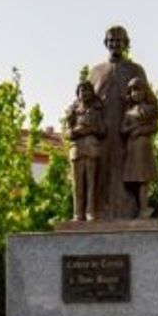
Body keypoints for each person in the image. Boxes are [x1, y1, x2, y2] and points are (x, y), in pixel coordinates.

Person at [85, 25, 151, 220]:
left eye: (119, 41)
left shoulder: (135, 69)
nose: (115, 44)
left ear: (126, 44)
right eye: (111, 41)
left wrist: (142, 126)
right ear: (106, 43)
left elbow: (147, 99)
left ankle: (133, 210)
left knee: (130, 172)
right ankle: (98, 211)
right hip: (102, 131)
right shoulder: (95, 72)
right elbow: (86, 100)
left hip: (128, 131)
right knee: (101, 172)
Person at [64, 78, 107, 221]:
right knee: (77, 185)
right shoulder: (73, 112)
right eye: (82, 90)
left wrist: (89, 129)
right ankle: (77, 213)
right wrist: (76, 131)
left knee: (91, 184)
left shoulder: (96, 110)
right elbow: (67, 133)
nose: (85, 93)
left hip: (92, 149)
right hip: (77, 150)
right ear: (78, 94)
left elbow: (102, 130)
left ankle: (90, 212)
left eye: (88, 90)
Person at [121, 74, 158, 218]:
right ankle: (138, 207)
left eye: (138, 90)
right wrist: (133, 129)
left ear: (145, 92)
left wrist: (141, 130)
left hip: (143, 147)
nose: (135, 94)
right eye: (132, 91)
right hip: (132, 148)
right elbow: (122, 129)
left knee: (143, 179)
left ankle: (144, 208)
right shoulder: (129, 112)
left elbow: (154, 127)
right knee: (134, 179)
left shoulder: (149, 109)